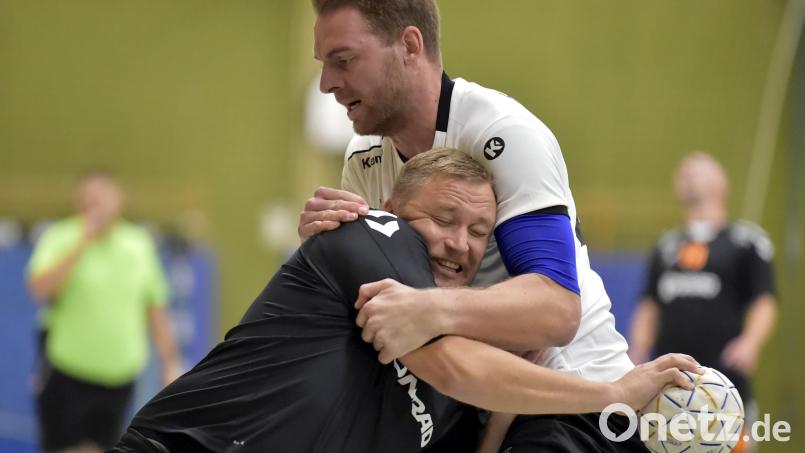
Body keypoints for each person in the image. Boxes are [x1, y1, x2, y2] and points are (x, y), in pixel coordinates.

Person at [110, 150, 698, 453]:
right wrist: (613, 394)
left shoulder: (465, 376)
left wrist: (504, 411)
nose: (458, 243)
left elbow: (471, 399)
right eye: (444, 219)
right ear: (394, 207)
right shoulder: (371, 237)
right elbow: (451, 365)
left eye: (477, 231)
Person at [300, 1, 639, 450]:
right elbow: (385, 319)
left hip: (571, 401)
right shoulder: (363, 160)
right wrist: (326, 254)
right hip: (469, 403)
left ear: (409, 45)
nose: (327, 85)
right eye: (325, 66)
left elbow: (557, 309)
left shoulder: (503, 132)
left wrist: (428, 307)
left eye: (344, 61)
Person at [629, 152, 778, 453]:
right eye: (684, 169)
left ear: (722, 183)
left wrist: (750, 343)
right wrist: (638, 349)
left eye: (698, 168)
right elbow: (649, 304)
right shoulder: (666, 246)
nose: (688, 173)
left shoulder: (746, 240)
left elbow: (765, 299)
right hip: (669, 386)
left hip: (725, 382)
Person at [27, 171, 181, 453]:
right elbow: (39, 289)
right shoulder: (61, 236)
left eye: (104, 195)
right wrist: (81, 242)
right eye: (90, 196)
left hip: (119, 378)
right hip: (68, 372)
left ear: (119, 199)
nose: (97, 203)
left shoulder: (139, 245)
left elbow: (155, 307)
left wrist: (169, 361)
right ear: (79, 201)